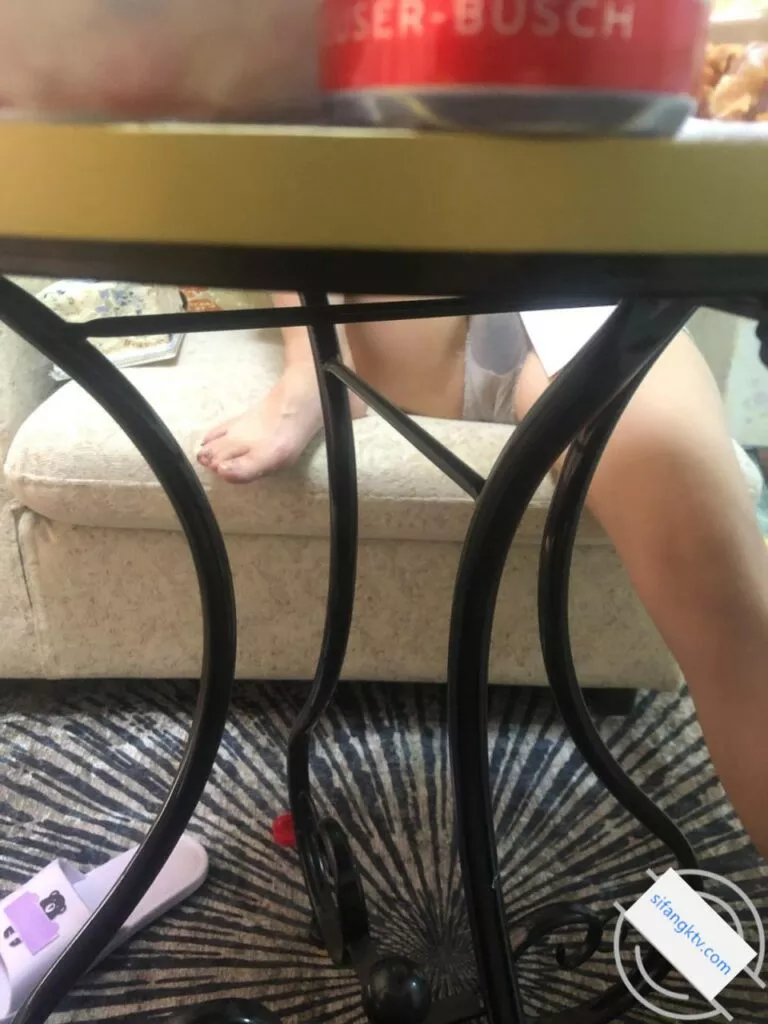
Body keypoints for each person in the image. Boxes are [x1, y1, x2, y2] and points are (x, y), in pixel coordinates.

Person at [198, 292, 768, 863]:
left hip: (590, 310)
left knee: (729, 608)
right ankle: (313, 369)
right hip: (405, 320)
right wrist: (308, 360)